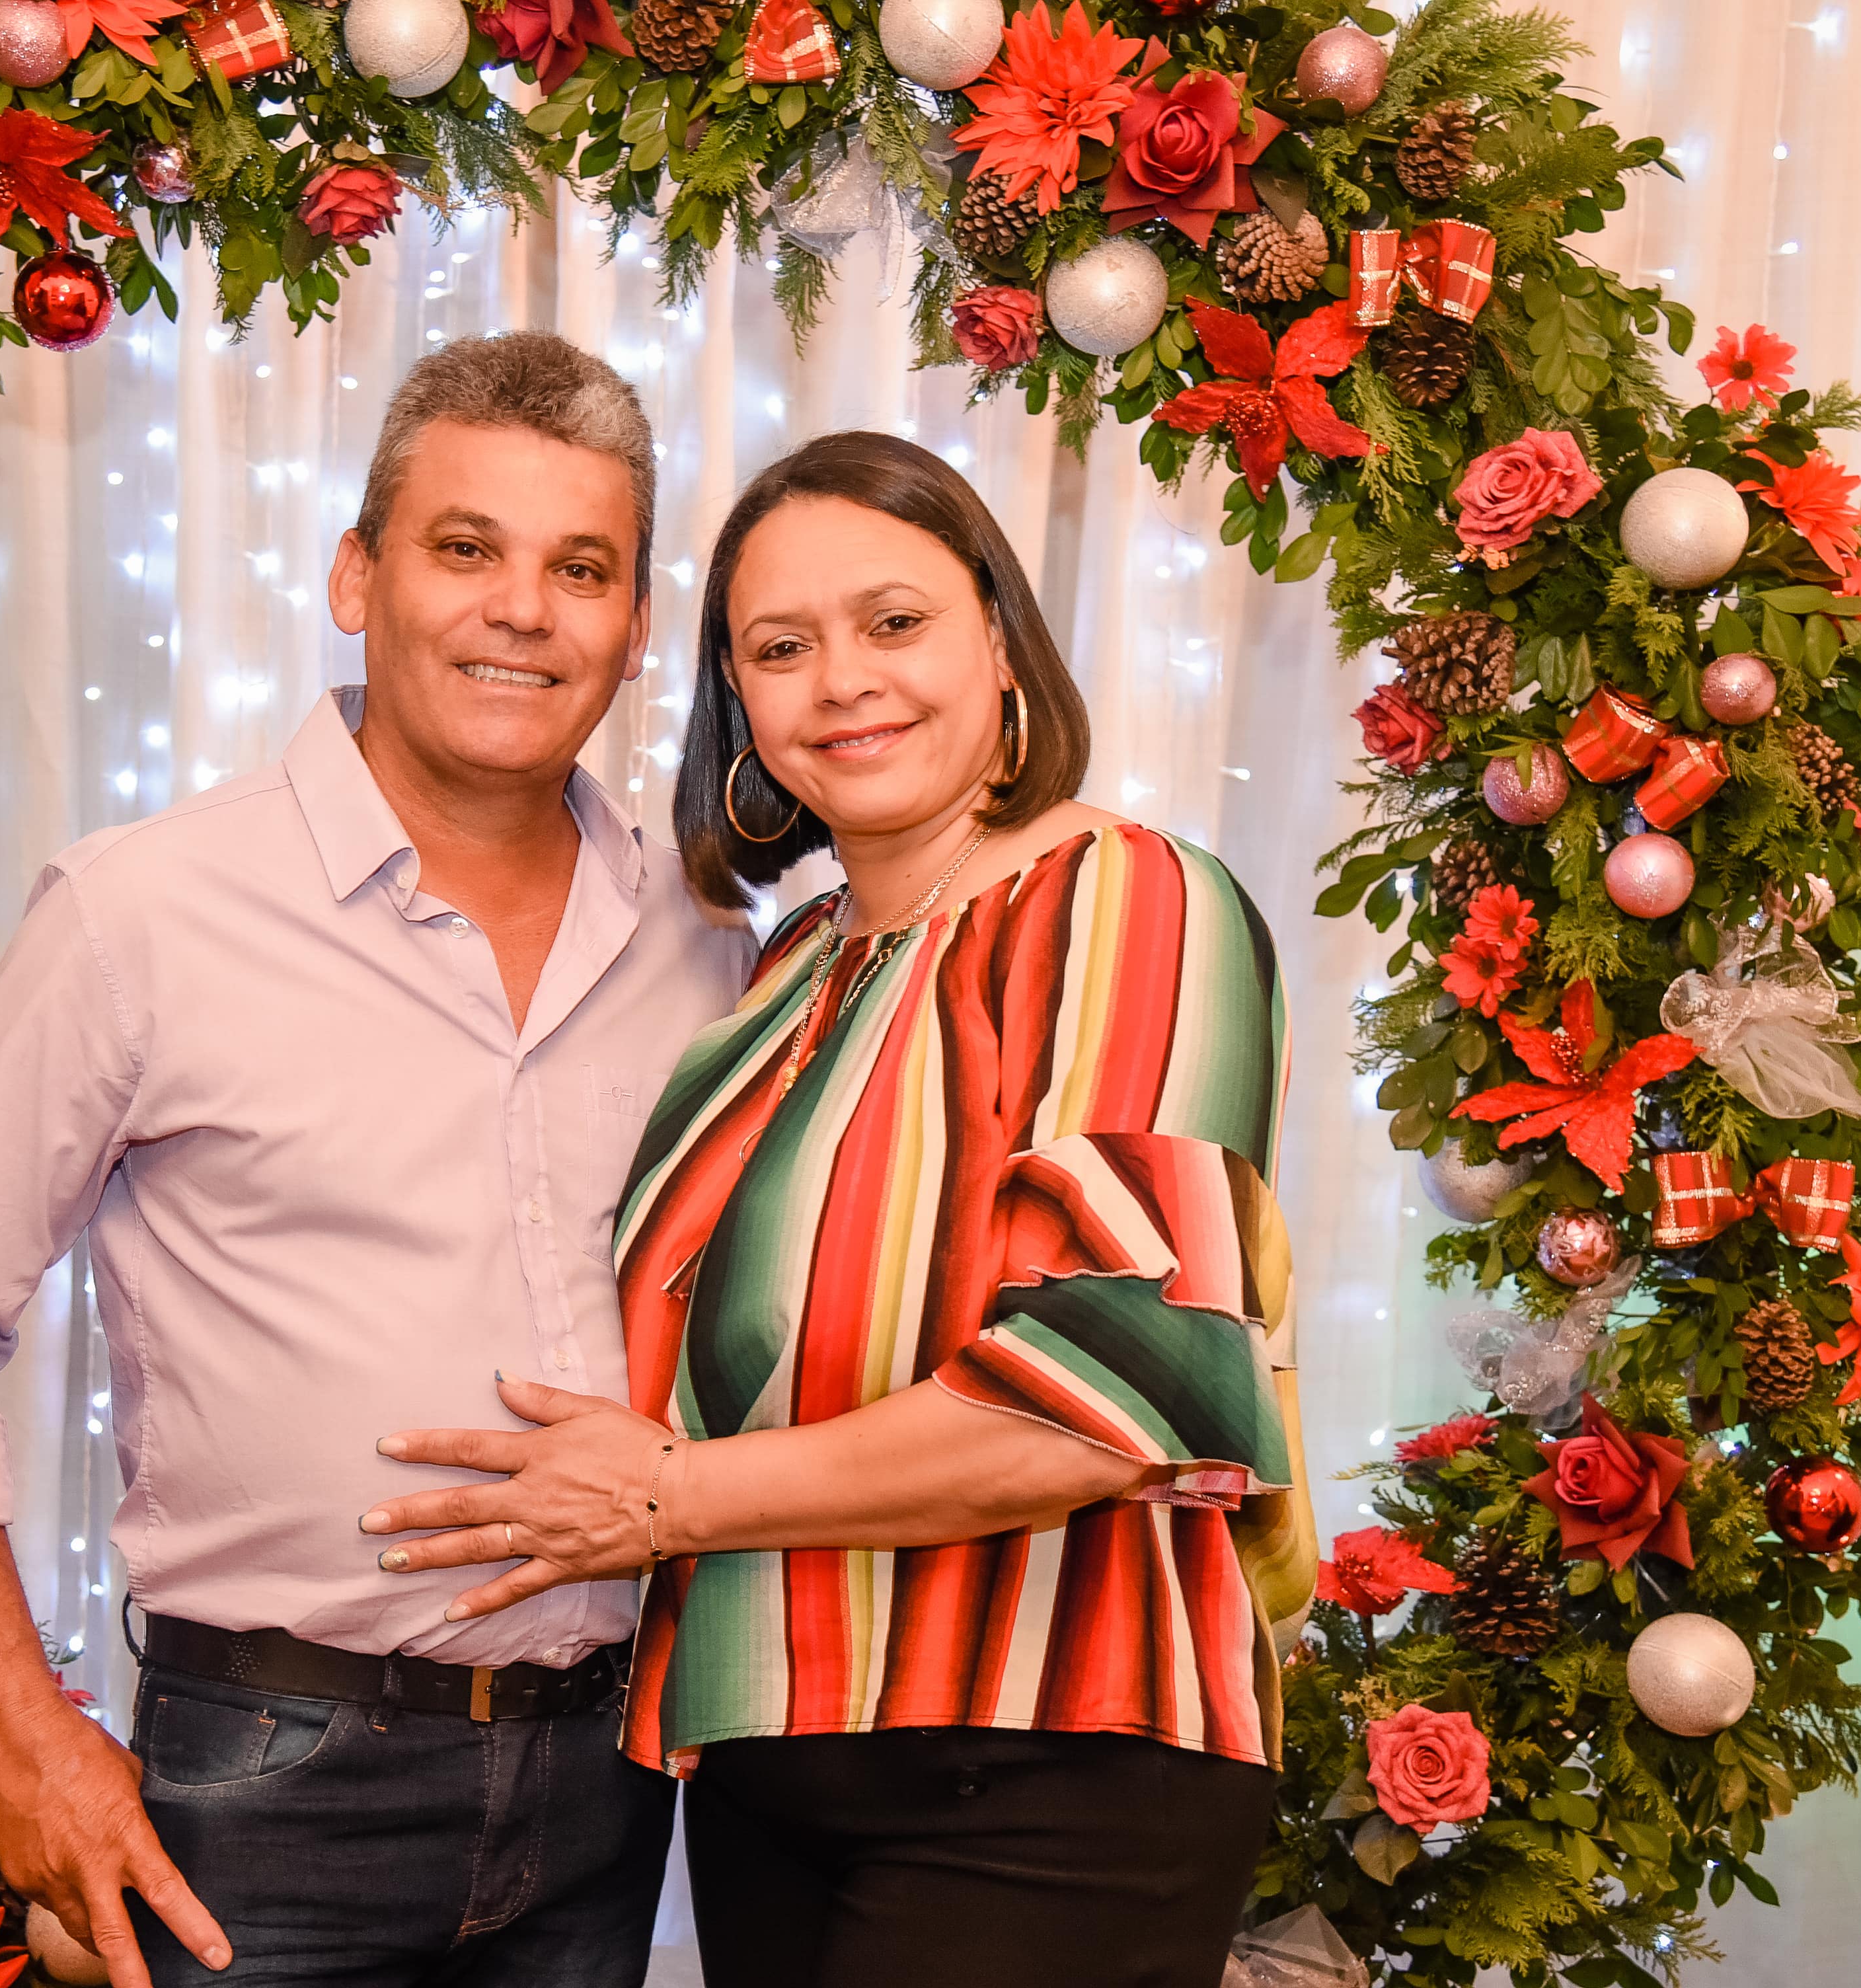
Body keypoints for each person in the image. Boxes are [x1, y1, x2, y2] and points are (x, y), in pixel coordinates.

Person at [0, 332, 751, 1988]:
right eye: (464, 547)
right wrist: (4, 1716)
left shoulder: (706, 939)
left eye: (581, 568)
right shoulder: (146, 910)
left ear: (631, 630)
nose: (522, 610)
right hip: (268, 1780)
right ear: (355, 576)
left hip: (615, 1782)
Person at [356, 431, 1316, 1988]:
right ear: (738, 703)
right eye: (781, 648)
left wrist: (668, 1498)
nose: (843, 682)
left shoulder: (1121, 896)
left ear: (998, 640)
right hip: (769, 1764)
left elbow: (1116, 1392)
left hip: (1045, 1757)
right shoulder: (780, 973)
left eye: (894, 622)